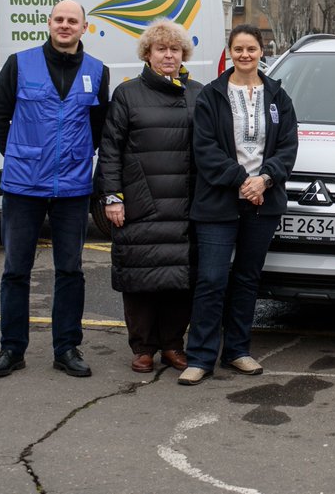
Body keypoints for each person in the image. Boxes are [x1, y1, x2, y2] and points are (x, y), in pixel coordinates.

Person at [0, 0, 110, 378]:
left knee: (70, 270)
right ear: (49, 23)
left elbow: (100, 127)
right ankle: (12, 349)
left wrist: (72, 157)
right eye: (59, 19)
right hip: (23, 186)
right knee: (16, 270)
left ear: (84, 28)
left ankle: (66, 348)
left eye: (73, 21)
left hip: (72, 188)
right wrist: (23, 156)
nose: (65, 25)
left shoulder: (97, 71)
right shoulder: (20, 64)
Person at [179, 25, 297, 385]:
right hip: (218, 201)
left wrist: (265, 178)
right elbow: (205, 148)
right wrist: (243, 181)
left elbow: (288, 147)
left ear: (263, 51)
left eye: (252, 48)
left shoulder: (278, 96)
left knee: (247, 280)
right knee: (211, 279)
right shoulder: (211, 96)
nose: (245, 55)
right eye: (238, 49)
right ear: (230, 52)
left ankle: (238, 351)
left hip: (264, 200)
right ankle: (199, 357)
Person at [95, 19, 202, 373]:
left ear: (182, 53)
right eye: (161, 49)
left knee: (179, 281)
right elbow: (110, 150)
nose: (168, 55)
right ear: (148, 53)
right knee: (139, 279)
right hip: (141, 204)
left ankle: (173, 345)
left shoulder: (198, 94)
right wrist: (113, 197)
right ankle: (143, 348)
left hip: (185, 205)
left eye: (174, 49)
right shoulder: (127, 94)